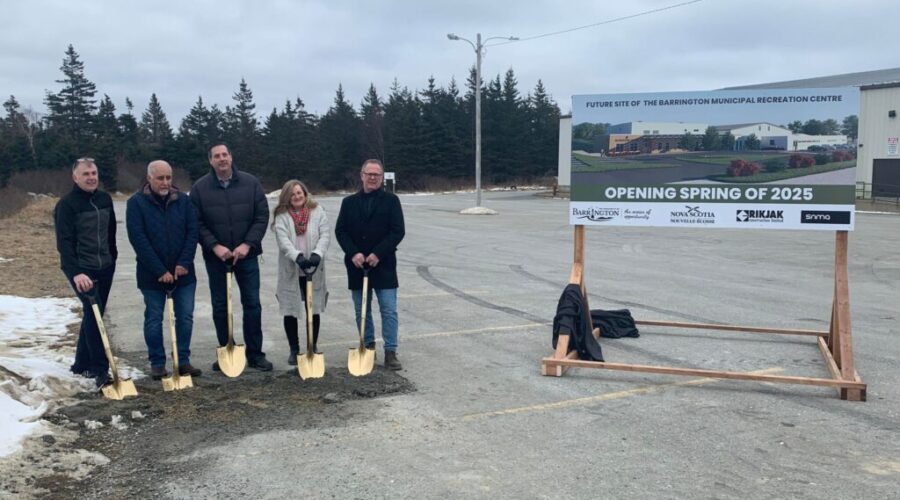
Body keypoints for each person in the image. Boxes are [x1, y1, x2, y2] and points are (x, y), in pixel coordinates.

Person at [190, 143, 273, 372]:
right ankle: (226, 350)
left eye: (224, 154)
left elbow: (261, 216)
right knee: (220, 306)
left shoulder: (250, 183)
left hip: (246, 256)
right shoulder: (200, 188)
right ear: (211, 161)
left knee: (252, 304)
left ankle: (255, 354)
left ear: (231, 157)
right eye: (217, 156)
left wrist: (247, 244)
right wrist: (215, 246)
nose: (222, 159)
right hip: (217, 258)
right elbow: (196, 222)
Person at [126, 160, 201, 380]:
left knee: (185, 317)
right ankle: (157, 363)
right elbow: (138, 239)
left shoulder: (184, 202)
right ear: (149, 178)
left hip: (183, 274)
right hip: (151, 275)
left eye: (168, 177)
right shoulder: (136, 203)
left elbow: (192, 232)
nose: (165, 182)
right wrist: (159, 270)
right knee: (154, 318)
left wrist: (183, 263)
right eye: (160, 178)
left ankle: (183, 360)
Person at [335, 159, 406, 370]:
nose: (373, 177)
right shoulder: (348, 203)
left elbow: (397, 231)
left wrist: (378, 253)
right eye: (369, 174)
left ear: (382, 178)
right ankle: (367, 347)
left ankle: (391, 351)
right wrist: (354, 253)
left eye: (377, 174)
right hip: (357, 266)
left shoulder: (391, 201)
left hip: (383, 265)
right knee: (361, 310)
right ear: (362, 175)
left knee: (389, 309)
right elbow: (341, 231)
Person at [54, 157, 118, 388]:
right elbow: (64, 243)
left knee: (94, 314)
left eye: (94, 173)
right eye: (86, 174)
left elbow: (111, 233)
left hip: (105, 266)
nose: (91, 178)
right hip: (82, 269)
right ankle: (100, 370)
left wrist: (113, 257)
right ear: (75, 177)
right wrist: (77, 272)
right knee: (95, 315)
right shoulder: (67, 205)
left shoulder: (104, 199)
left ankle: (81, 363)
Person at [272, 180, 330, 365]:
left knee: (313, 308)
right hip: (292, 269)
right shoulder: (281, 215)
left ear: (305, 194)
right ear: (287, 197)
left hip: (313, 268)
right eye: (292, 194)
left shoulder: (317, 211)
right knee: (291, 309)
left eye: (299, 193)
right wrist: (297, 257)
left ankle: (312, 347)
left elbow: (325, 235)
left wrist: (317, 254)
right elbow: (283, 241)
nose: (297, 197)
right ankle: (294, 349)